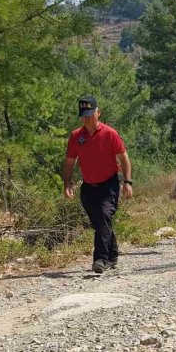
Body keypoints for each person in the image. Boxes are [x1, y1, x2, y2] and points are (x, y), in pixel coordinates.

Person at [62, 96, 133, 274]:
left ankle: (100, 259)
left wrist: (127, 182)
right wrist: (67, 183)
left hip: (109, 184)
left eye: (90, 114)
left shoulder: (110, 133)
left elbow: (124, 158)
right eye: (83, 115)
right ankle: (113, 255)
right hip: (88, 186)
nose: (87, 118)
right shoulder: (76, 136)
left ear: (98, 113)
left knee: (103, 216)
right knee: (101, 222)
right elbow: (70, 161)